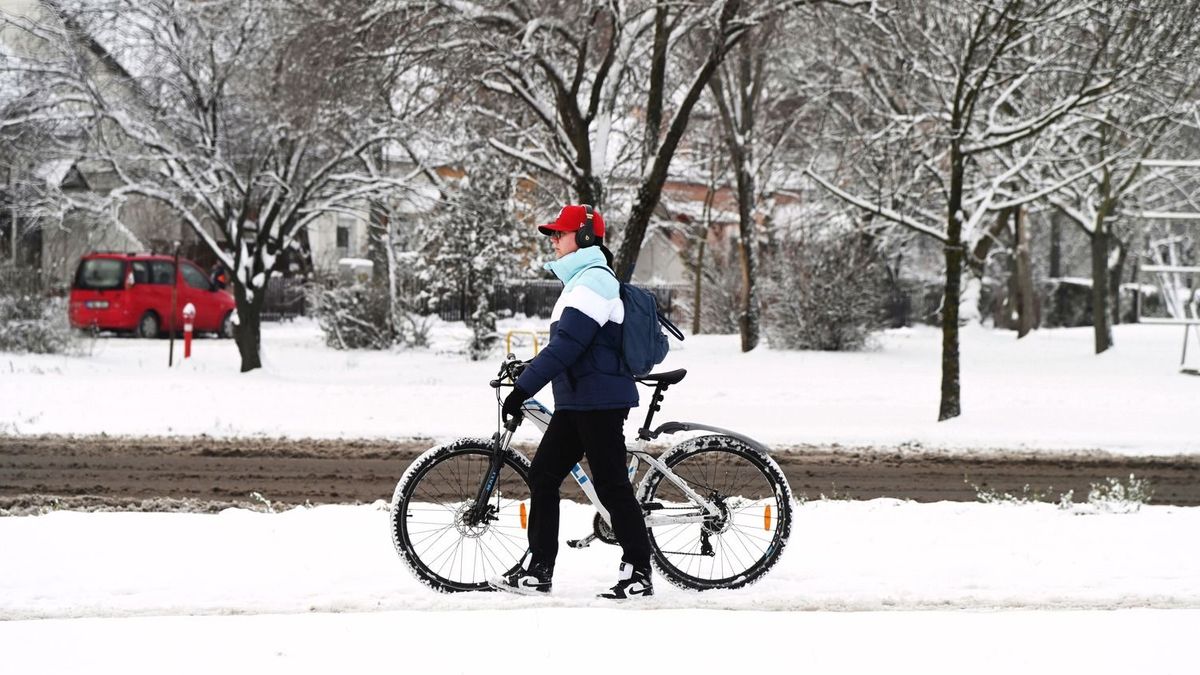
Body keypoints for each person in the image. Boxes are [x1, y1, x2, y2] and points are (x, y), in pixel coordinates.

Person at [488, 204, 654, 600]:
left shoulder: (595, 280)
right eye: (553, 234)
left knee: (611, 485)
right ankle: (539, 570)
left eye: (559, 234)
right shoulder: (579, 282)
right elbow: (570, 347)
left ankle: (639, 572)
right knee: (543, 475)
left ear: (584, 237)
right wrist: (530, 369)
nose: (553, 240)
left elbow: (568, 346)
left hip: (600, 402)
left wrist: (524, 387)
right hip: (578, 401)